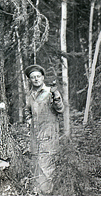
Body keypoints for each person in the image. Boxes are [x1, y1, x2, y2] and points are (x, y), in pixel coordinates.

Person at [24, 64, 64, 194]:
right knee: (36, 168)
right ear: (30, 80)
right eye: (33, 77)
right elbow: (27, 110)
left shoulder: (50, 92)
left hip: (48, 138)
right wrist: (28, 119)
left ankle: (46, 196)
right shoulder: (30, 95)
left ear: (43, 77)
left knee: (47, 171)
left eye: (38, 76)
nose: (35, 79)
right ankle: (37, 195)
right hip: (35, 139)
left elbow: (60, 109)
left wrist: (56, 95)